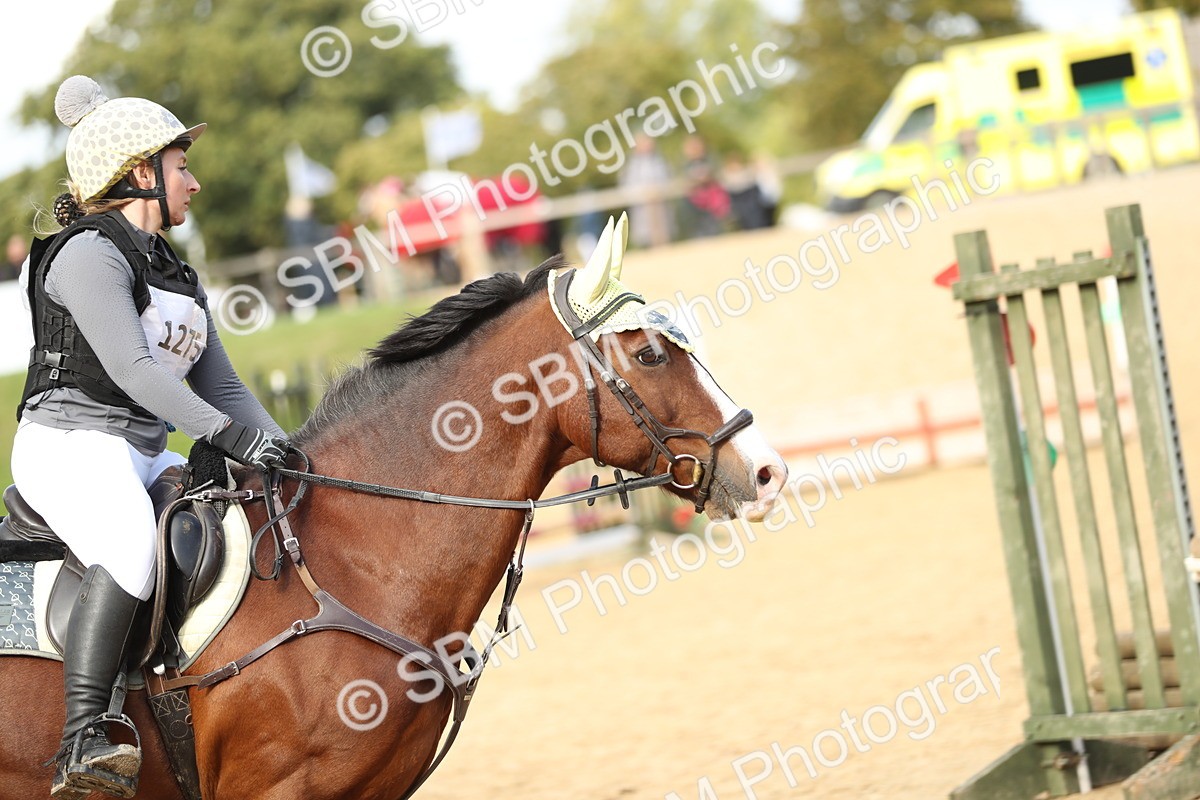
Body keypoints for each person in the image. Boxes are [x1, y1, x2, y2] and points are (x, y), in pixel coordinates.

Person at [10, 75, 287, 799]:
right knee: (131, 547)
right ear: (141, 172)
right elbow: (134, 370)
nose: (193, 181)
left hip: (136, 448)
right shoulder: (85, 254)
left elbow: (221, 387)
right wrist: (229, 437)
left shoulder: (176, 271)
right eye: (181, 164)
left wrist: (285, 452)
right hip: (69, 447)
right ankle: (82, 741)